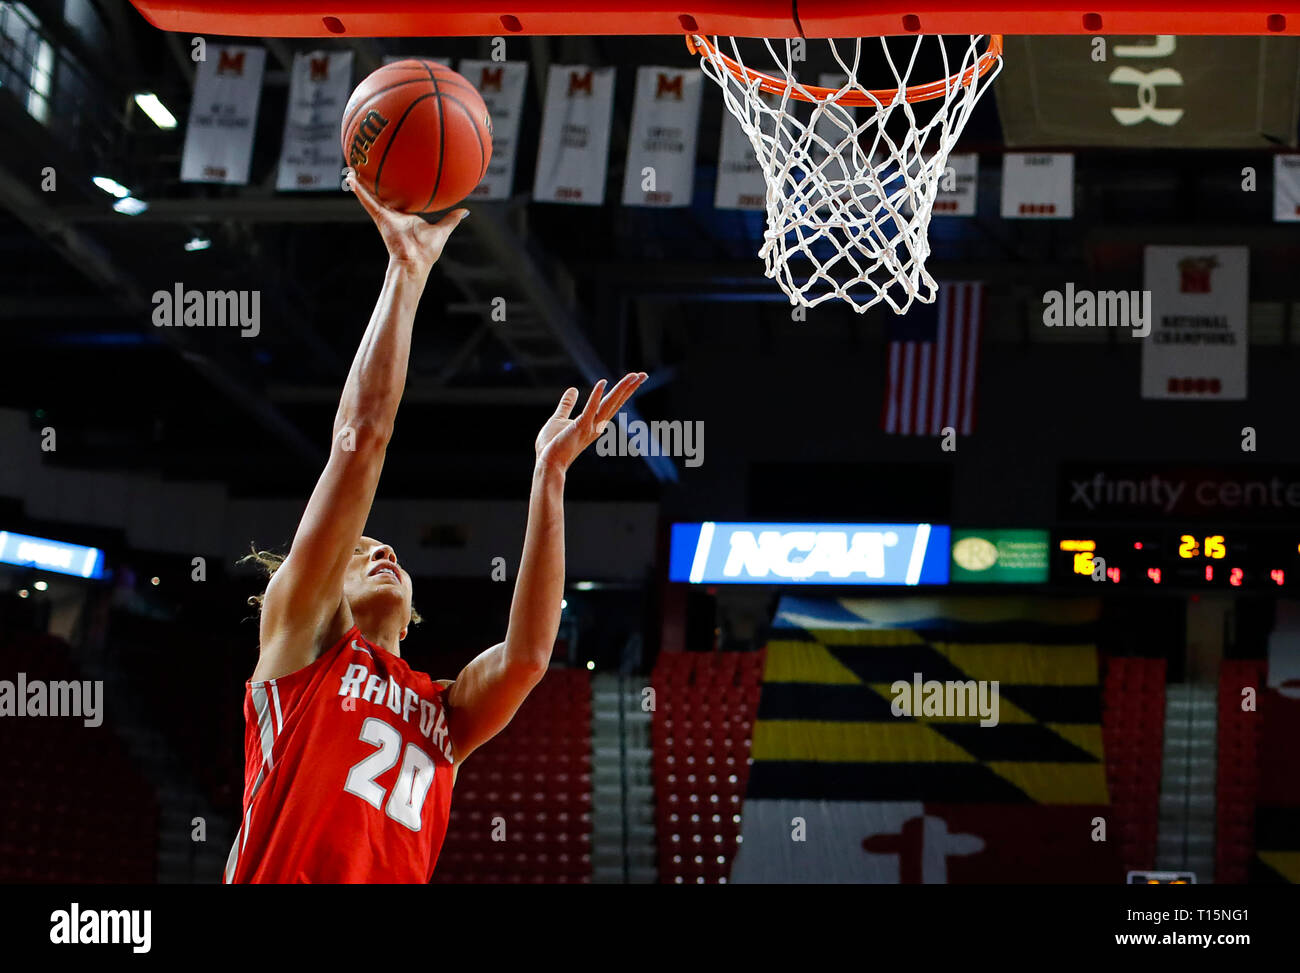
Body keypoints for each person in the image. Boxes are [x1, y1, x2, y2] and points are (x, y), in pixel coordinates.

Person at [223, 169, 646, 883]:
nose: (379, 546)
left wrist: (550, 477)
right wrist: (407, 272)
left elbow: (528, 657)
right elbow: (361, 441)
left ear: (415, 615)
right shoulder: (301, 650)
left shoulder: (441, 712)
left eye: (382, 547)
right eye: (357, 553)